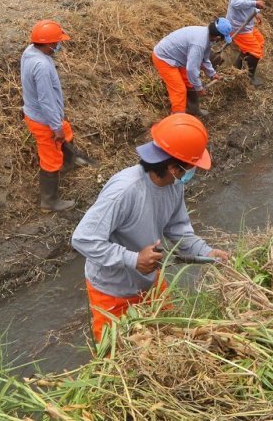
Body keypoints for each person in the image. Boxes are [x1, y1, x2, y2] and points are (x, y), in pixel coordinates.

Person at [71, 113, 229, 343]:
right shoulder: (125, 191)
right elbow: (83, 239)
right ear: (174, 167)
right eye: (191, 166)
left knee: (171, 342)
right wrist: (134, 259)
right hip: (113, 292)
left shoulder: (173, 186)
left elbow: (179, 229)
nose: (193, 171)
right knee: (119, 363)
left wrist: (205, 252)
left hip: (150, 282)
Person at [21, 19, 94, 212]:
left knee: (66, 131)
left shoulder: (29, 52)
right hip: (43, 120)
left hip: (38, 113)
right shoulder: (42, 67)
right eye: (57, 42)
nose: (59, 45)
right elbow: (46, 100)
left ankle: (71, 159)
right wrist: (55, 127)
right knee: (50, 158)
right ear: (49, 44)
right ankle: (49, 201)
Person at [152, 19, 231, 117]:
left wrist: (212, 73)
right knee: (179, 90)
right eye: (222, 38)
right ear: (218, 37)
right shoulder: (199, 43)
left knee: (189, 83)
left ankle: (193, 110)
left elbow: (204, 59)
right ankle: (178, 118)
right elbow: (191, 69)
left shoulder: (207, 36)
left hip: (178, 57)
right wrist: (199, 88)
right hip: (164, 58)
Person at [226, 0, 268, 87]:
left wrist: (256, 12)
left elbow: (247, 2)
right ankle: (250, 77)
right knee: (255, 51)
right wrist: (255, 3)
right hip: (238, 26)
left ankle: (237, 67)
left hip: (246, 23)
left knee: (260, 41)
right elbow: (235, 2)